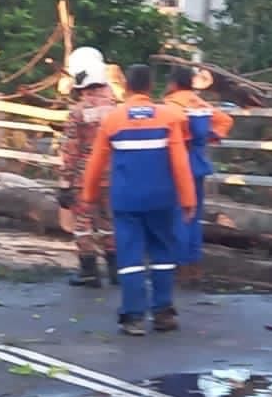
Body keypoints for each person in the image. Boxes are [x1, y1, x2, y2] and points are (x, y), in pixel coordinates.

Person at [81, 64, 196, 336]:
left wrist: (88, 196)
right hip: (162, 199)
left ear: (128, 87)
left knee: (130, 256)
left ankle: (133, 317)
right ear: (150, 87)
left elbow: (95, 163)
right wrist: (188, 199)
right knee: (162, 254)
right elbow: (180, 162)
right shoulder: (168, 118)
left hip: (126, 201)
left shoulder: (113, 120)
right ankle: (163, 313)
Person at [162, 66, 234, 280]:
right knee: (194, 216)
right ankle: (194, 264)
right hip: (199, 163)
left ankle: (180, 265)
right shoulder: (199, 103)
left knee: (179, 215)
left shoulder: (171, 105)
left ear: (173, 84)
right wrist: (211, 136)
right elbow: (226, 120)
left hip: (178, 165)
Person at [57, 47, 118, 288]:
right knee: (108, 222)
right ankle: (116, 271)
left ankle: (89, 273)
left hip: (85, 177)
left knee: (82, 225)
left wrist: (64, 184)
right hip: (113, 175)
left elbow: (70, 151)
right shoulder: (118, 109)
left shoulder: (78, 112)